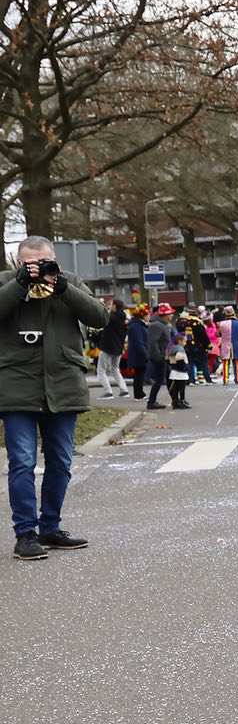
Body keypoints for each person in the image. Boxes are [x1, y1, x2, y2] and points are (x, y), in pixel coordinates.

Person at [2, 237, 107, 560]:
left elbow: (99, 317)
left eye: (43, 262)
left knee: (61, 461)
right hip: (17, 386)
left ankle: (50, 526)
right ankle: (26, 534)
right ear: (18, 263)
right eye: (29, 264)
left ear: (55, 260)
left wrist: (61, 287)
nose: (36, 269)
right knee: (22, 461)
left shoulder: (69, 283)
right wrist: (20, 285)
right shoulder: (6, 284)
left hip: (62, 384)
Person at [145, 304, 181, 409]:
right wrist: (158, 357)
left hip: (165, 357)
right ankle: (152, 402)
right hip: (161, 358)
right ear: (165, 315)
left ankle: (175, 401)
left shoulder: (164, 325)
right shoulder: (157, 325)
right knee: (160, 380)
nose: (172, 316)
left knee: (168, 379)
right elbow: (153, 343)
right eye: (170, 314)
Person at [126, 305, 150, 403]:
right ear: (142, 315)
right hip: (138, 354)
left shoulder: (139, 325)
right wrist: (146, 354)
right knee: (139, 374)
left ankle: (140, 393)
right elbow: (138, 342)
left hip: (139, 353)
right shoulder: (137, 326)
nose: (149, 316)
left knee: (140, 373)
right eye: (147, 315)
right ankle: (138, 394)